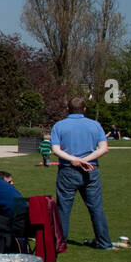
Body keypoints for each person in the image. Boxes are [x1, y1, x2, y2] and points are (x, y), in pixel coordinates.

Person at [49, 96, 112, 250]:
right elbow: (103, 148)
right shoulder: (95, 125)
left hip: (67, 170)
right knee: (96, 207)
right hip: (91, 170)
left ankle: (60, 242)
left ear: (67, 109)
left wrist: (74, 160)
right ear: (84, 109)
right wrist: (86, 160)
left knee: (64, 208)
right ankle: (104, 243)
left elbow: (55, 150)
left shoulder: (59, 126)